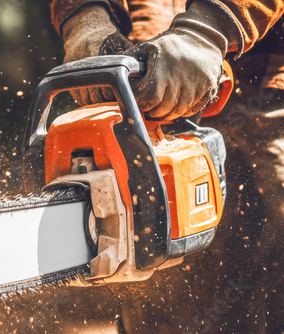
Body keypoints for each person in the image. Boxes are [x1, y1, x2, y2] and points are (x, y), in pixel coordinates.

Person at [51, 0, 284, 332]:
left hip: (267, 72)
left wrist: (207, 28)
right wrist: (86, 16)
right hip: (159, 73)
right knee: (158, 265)